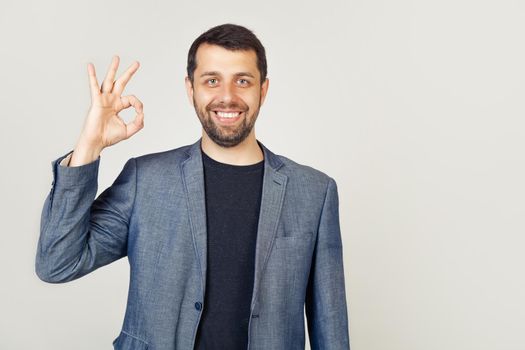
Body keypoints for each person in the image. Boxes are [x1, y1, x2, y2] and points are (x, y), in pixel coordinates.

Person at [35, 23, 350, 350]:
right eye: (212, 80)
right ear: (191, 89)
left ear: (263, 90)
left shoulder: (314, 191)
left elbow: (331, 327)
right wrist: (89, 146)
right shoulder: (146, 179)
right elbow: (58, 262)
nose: (227, 96)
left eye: (242, 81)